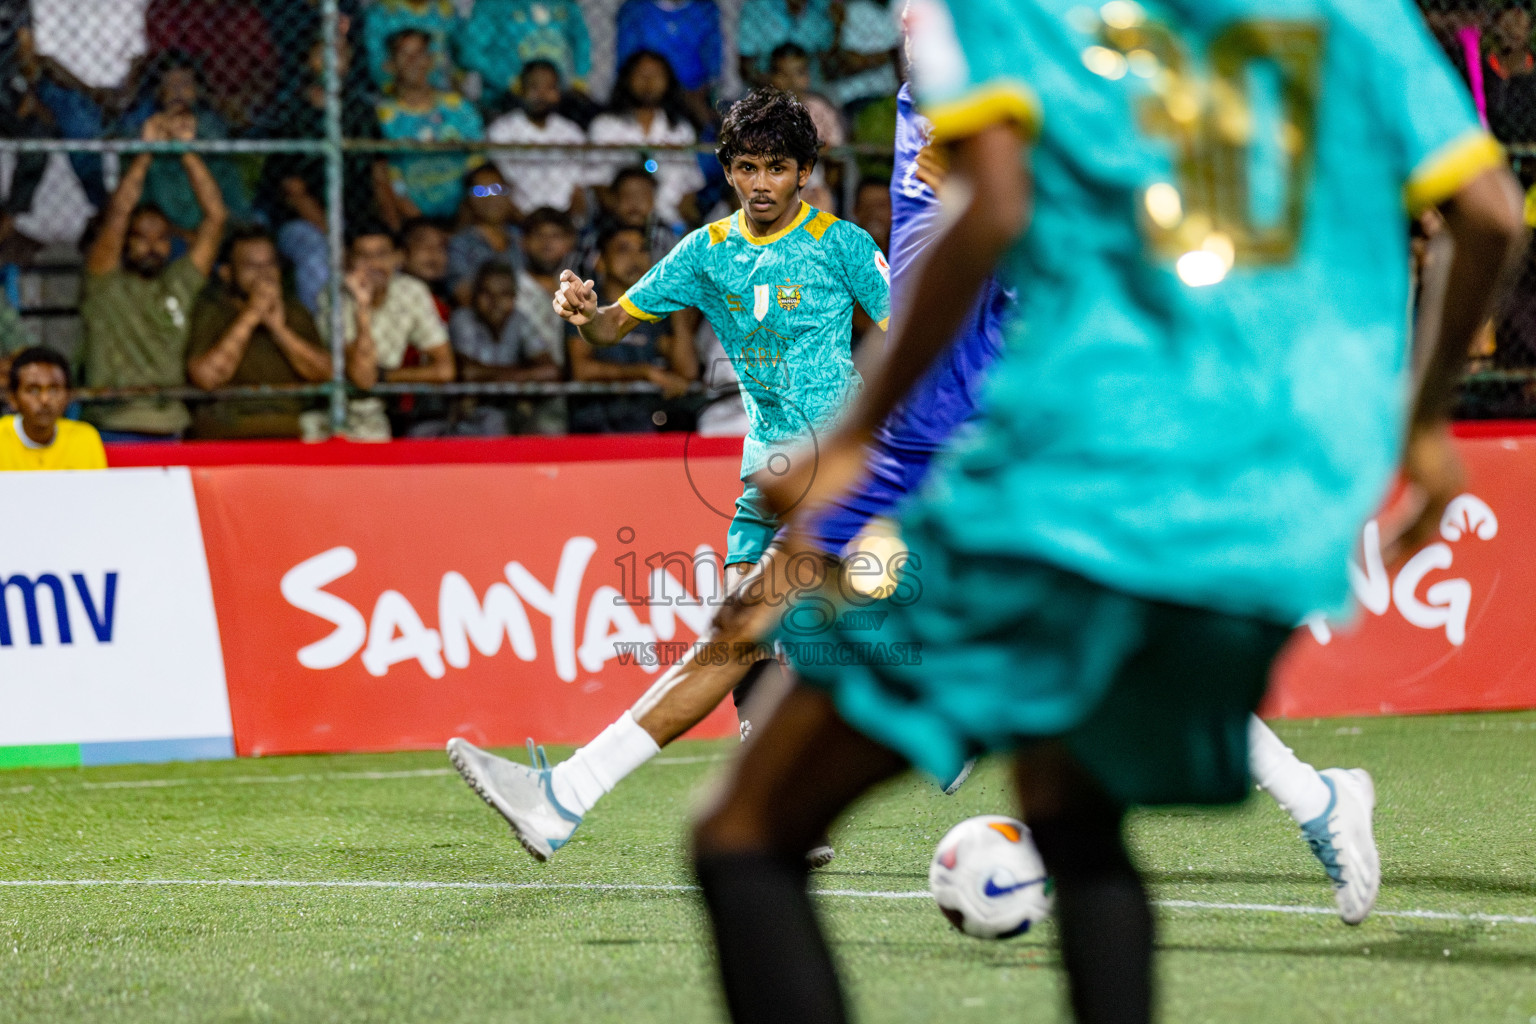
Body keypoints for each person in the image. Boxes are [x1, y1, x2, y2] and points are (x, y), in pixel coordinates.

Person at [688, 4, 1524, 1024]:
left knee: (745, 831)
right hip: (1271, 500)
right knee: (1074, 813)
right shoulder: (1357, 11)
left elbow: (987, 208)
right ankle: (1313, 798)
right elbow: (1488, 211)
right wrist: (1426, 419)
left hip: (1079, 462)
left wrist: (862, 426)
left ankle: (1308, 795)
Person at [446, 88, 889, 863]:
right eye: (747, 167)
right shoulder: (704, 252)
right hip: (766, 480)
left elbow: (913, 331)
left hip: (836, 476)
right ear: (725, 170)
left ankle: (566, 797)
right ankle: (806, 808)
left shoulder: (843, 245)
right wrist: (585, 309)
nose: (761, 183)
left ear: (807, 173)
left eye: (778, 168)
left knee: (735, 639)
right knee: (748, 644)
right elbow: (619, 320)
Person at [80, 112, 227, 441]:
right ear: (124, 242)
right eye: (141, 237)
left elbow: (215, 218)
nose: (153, 247)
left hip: (170, 426)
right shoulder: (104, 285)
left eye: (161, 238)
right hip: (113, 426)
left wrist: (184, 151)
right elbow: (118, 213)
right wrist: (145, 152)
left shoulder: (179, 283)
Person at [255, 29, 390, 313]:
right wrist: (338, 238)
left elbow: (380, 179)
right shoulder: (292, 114)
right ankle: (326, 339)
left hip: (361, 215)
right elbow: (295, 193)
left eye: (341, 52)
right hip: (307, 220)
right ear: (308, 60)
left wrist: (394, 227)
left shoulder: (360, 111)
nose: (333, 59)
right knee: (318, 255)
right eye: (323, 51)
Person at [184, 226, 335, 439]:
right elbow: (207, 378)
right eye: (251, 266)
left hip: (287, 431)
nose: (264, 274)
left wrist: (278, 329)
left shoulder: (294, 311)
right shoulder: (211, 311)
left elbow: (325, 372)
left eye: (270, 264)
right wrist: (250, 316)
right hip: (227, 433)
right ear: (227, 273)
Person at [568, 225, 698, 433]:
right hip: (594, 428)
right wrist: (644, 373)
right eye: (623, 250)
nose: (635, 259)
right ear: (600, 262)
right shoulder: (585, 307)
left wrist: (677, 306)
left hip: (645, 428)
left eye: (642, 250)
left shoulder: (653, 312)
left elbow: (687, 372)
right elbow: (582, 369)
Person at [119, 51, 254, 236]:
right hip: (165, 228)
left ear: (197, 90)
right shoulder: (147, 125)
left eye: (185, 84)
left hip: (211, 220)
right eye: (171, 84)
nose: (178, 91)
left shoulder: (210, 125)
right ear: (159, 91)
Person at [318, 223, 457, 394]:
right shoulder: (335, 296)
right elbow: (362, 377)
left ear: (397, 258)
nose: (374, 264)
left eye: (382, 254)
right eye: (363, 256)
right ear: (348, 260)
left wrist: (384, 376)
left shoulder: (411, 291)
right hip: (337, 400)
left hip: (385, 403)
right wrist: (362, 307)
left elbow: (445, 370)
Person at [377, 29, 485, 222]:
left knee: (497, 190)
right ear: (390, 65)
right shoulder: (384, 116)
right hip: (411, 220)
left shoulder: (459, 108)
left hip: (465, 215)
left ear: (431, 60)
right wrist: (419, 223)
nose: (414, 62)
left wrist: (468, 213)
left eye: (420, 54)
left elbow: (479, 169)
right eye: (405, 55)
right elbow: (391, 181)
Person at [588, 51, 705, 228]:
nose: (649, 82)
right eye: (641, 74)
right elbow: (598, 184)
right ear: (627, 80)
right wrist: (630, 219)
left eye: (656, 75)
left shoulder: (680, 129)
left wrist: (684, 226)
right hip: (620, 222)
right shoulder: (605, 126)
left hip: (670, 221)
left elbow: (689, 187)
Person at [448, 263, 564, 434]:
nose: (495, 302)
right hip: (467, 420)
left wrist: (493, 378)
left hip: (510, 416)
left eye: (504, 295)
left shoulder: (519, 319)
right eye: (487, 294)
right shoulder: (463, 319)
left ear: (514, 297)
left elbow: (551, 371)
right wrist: (521, 377)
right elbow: (467, 372)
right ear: (475, 295)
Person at [143, 0, 275, 131]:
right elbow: (165, 66)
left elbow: (266, 68)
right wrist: (213, 100)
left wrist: (243, 98)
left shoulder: (243, 12)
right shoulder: (167, 8)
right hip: (185, 99)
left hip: (240, 100)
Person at [485, 61, 590, 220]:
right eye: (534, 87)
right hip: (517, 218)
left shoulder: (571, 132)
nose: (542, 95)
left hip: (563, 221)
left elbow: (578, 189)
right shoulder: (502, 131)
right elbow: (499, 185)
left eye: (550, 88)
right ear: (521, 90)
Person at [456, 0, 592, 108]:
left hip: (555, 100)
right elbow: (469, 52)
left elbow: (581, 38)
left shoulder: (565, 4)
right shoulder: (493, 5)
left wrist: (580, 76)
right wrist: (507, 80)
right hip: (506, 99)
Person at [615, 0, 722, 127]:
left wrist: (698, 92)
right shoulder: (635, 9)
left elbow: (712, 62)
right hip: (650, 92)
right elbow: (627, 62)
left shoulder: (705, 8)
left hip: (693, 94)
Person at [0, 346, 106, 471]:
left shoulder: (85, 439)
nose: (44, 400)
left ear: (68, 395)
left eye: (53, 389)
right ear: (13, 398)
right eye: (33, 390)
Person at [577, 166, 681, 278]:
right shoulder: (595, 234)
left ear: (654, 201)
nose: (634, 203)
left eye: (643, 196)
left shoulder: (666, 236)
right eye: (627, 195)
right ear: (613, 199)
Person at [449, 165, 524, 308]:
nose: (490, 197)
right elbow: (461, 292)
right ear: (469, 200)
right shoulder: (461, 243)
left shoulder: (520, 238)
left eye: (496, 189)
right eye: (480, 191)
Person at [516, 206, 581, 367]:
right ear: (523, 242)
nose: (546, 243)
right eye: (539, 235)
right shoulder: (511, 288)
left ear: (569, 243)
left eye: (555, 236)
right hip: (524, 381)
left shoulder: (577, 289)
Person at [362, 0, 457, 93]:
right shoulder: (382, 13)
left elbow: (457, 60)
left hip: (441, 90)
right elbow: (377, 63)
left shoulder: (445, 13)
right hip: (393, 93)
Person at [738, 0, 835, 91]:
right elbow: (746, 65)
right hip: (764, 89)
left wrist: (838, 28)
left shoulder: (822, 7)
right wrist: (776, 86)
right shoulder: (758, 6)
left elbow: (829, 60)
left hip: (811, 88)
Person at [825, 0, 901, 115]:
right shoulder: (852, 10)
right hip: (853, 98)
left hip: (881, 94)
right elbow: (849, 62)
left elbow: (853, 62)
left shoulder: (863, 10)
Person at [399, 217, 453, 319]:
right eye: (423, 245)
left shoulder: (448, 300)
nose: (433, 253)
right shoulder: (391, 297)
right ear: (402, 254)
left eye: (440, 247)